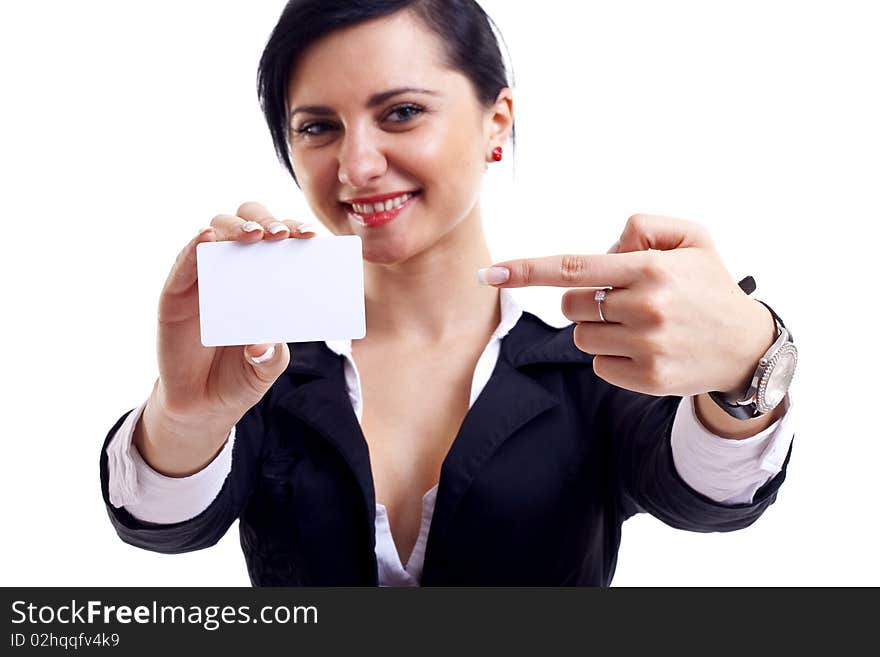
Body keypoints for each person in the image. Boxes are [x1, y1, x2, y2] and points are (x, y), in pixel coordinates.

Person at [99, 0, 797, 586]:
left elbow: (711, 494)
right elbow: (165, 522)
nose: (357, 165)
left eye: (400, 112)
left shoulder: (592, 362)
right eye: (318, 127)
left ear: (496, 121)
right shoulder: (260, 364)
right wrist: (186, 417)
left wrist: (748, 367)